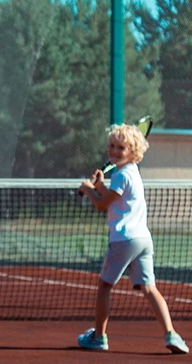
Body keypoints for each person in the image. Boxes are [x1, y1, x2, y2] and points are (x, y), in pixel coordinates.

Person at [77, 124, 188, 354]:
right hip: (142, 240)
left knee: (104, 287)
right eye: (112, 147)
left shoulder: (121, 175)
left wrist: (88, 189)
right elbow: (112, 198)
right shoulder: (130, 172)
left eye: (121, 148)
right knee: (149, 288)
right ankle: (171, 334)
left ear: (133, 150)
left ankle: (99, 337)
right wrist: (99, 185)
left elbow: (101, 204)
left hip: (124, 239)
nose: (115, 152)